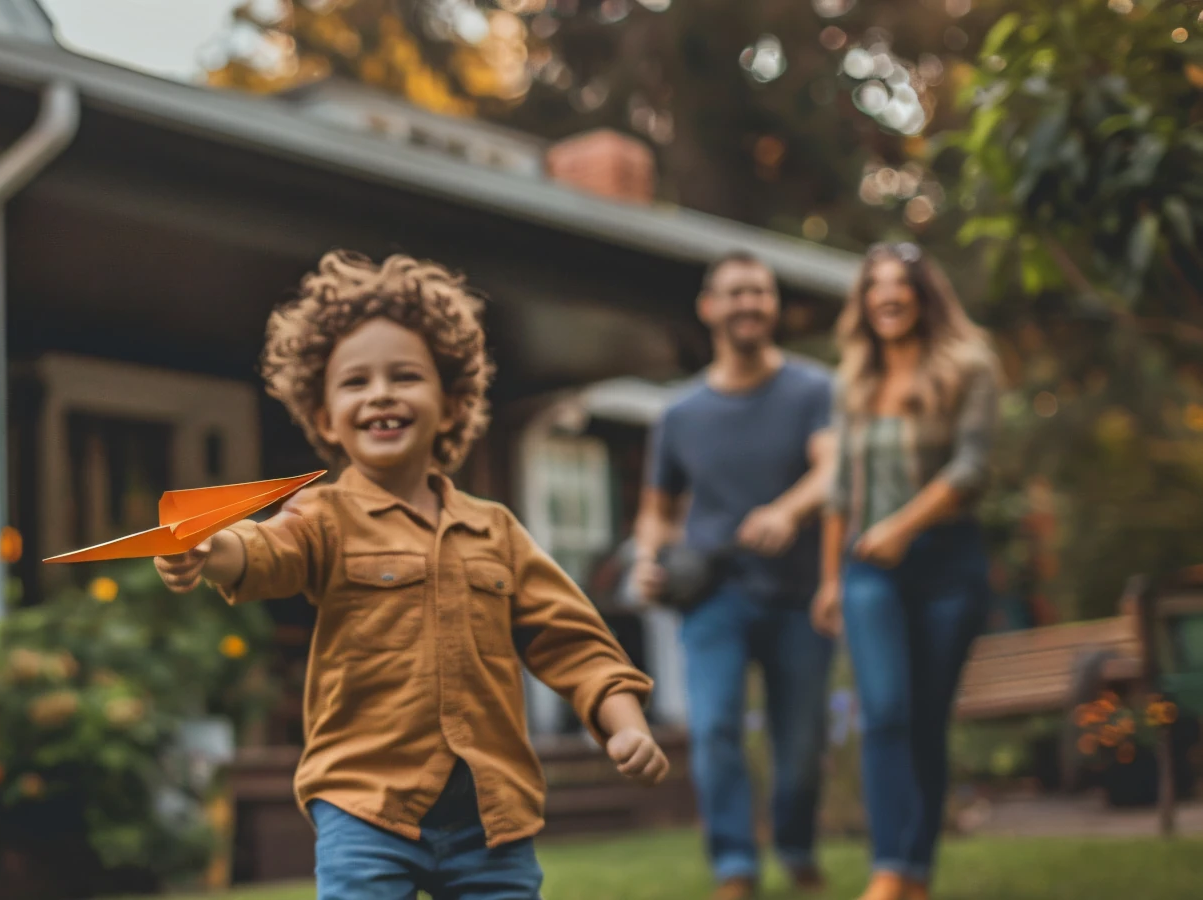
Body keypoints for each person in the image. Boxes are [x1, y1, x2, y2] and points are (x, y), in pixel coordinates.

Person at [156, 251, 668, 900]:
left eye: (405, 376)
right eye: (355, 383)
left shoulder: (498, 531)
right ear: (322, 415)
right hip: (366, 805)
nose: (381, 395)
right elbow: (266, 550)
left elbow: (573, 640)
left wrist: (625, 722)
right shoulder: (325, 516)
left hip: (490, 815)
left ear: (452, 402)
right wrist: (210, 550)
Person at [633, 250, 837, 900]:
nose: (749, 303)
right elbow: (658, 511)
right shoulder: (680, 413)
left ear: (773, 306)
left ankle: (797, 844)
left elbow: (833, 471)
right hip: (713, 596)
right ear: (710, 307)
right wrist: (646, 560)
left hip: (798, 593)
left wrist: (788, 510)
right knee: (715, 728)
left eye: (761, 292)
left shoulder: (813, 390)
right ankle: (734, 868)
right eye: (736, 292)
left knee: (800, 744)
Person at [813, 243, 1000, 900]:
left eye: (901, 284)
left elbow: (972, 470)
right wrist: (831, 578)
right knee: (884, 710)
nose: (888, 296)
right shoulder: (853, 381)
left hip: (948, 562)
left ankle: (916, 873)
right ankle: (889, 868)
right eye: (876, 286)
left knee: (925, 720)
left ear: (924, 295)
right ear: (864, 302)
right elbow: (839, 489)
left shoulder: (969, 367)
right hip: (870, 569)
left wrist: (903, 526)